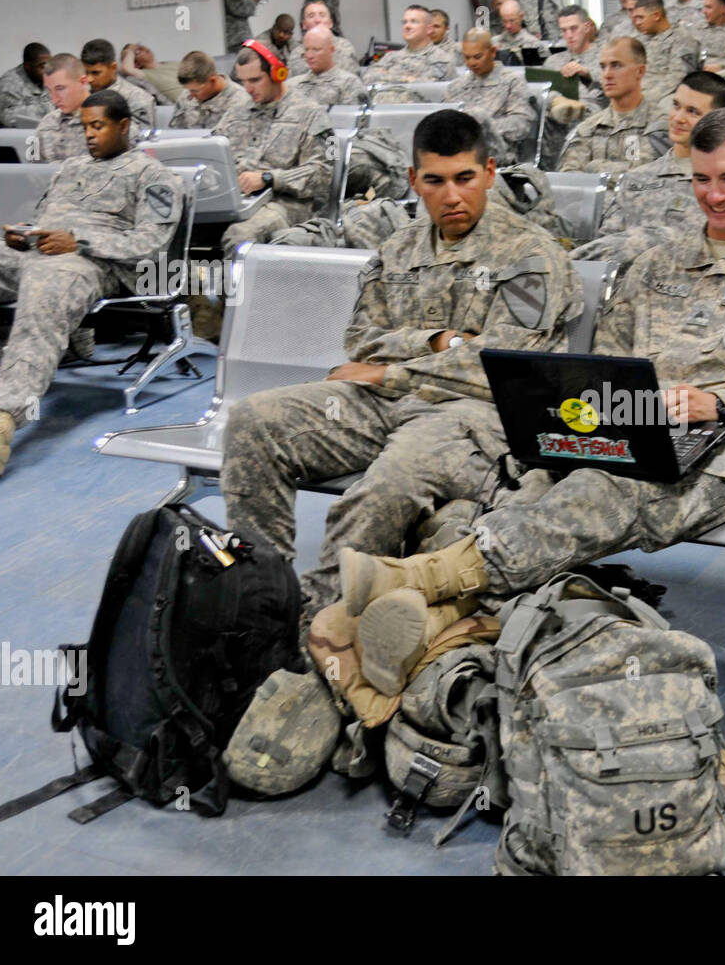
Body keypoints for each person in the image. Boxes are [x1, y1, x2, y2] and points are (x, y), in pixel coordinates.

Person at [333, 108, 725, 705]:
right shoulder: (655, 266)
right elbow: (605, 366)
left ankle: (422, 583)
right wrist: (587, 417)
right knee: (520, 486)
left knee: (614, 492)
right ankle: (444, 635)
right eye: (702, 179)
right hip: (634, 427)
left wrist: (721, 401)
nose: (714, 195)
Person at [221, 108, 581, 632]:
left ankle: (313, 628)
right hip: (386, 402)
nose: (451, 196)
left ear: (490, 172)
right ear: (414, 180)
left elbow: (505, 369)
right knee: (254, 422)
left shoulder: (531, 256)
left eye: (465, 179)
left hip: (476, 418)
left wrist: (394, 370)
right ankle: (262, 599)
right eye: (434, 181)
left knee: (386, 486)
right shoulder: (399, 249)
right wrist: (439, 342)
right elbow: (362, 343)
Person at [0, 90, 182, 477]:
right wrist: (23, 234)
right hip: (40, 253)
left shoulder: (154, 176)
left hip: (92, 264)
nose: (89, 134)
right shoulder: (69, 168)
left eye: (98, 126)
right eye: (85, 127)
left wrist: (80, 241)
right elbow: (43, 219)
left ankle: (1, 424)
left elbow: (151, 245)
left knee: (44, 290)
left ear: (123, 126)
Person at [213, 43, 334, 257]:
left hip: (286, 204)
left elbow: (322, 174)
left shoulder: (310, 113)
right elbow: (212, 154)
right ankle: (191, 288)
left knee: (239, 236)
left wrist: (269, 178)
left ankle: (235, 291)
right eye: (243, 81)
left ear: (277, 74)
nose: (248, 89)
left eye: (255, 80)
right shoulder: (236, 113)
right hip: (237, 199)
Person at [596, 71, 725, 234]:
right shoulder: (635, 179)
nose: (678, 118)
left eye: (693, 111)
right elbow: (607, 244)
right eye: (676, 106)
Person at [558, 37, 668, 174]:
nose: (607, 74)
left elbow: (651, 174)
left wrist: (594, 168)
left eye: (616, 65)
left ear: (640, 71)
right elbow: (569, 177)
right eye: (603, 67)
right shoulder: (588, 128)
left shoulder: (660, 124)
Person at [444, 29, 537, 165]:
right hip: (458, 152)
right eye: (467, 57)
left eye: (477, 57)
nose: (472, 63)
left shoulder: (512, 82)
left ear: (493, 52)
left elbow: (521, 125)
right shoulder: (455, 87)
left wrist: (484, 127)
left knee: (478, 116)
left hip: (499, 155)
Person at [539, 5, 606, 167]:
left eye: (573, 29)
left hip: (593, 119)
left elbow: (620, 88)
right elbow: (539, 94)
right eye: (564, 30)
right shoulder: (553, 61)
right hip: (555, 124)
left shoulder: (605, 57)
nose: (569, 35)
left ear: (587, 27)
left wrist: (588, 73)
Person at [631, 0, 701, 108]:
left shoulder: (682, 38)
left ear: (657, 15)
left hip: (663, 96)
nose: (637, 23)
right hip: (637, 92)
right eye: (635, 18)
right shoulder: (640, 40)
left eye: (641, 17)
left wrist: (645, 98)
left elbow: (678, 76)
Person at [363, 5, 455, 85]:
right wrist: (407, 79)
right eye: (405, 22)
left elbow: (429, 87)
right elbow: (367, 78)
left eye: (414, 21)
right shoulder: (391, 57)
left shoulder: (442, 59)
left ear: (429, 29)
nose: (407, 26)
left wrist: (387, 75)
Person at [80, 39, 155, 131]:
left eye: (96, 73)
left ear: (113, 67)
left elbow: (141, 137)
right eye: (86, 73)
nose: (89, 79)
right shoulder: (80, 94)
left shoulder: (137, 97)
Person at [287, 26, 367, 106]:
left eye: (316, 49)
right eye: (307, 50)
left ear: (331, 50)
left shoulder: (350, 84)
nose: (309, 55)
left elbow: (351, 116)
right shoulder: (293, 85)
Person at [170, 51, 247, 129]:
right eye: (188, 90)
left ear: (213, 80)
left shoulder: (240, 101)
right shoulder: (185, 97)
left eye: (196, 91)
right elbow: (176, 133)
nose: (191, 95)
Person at [33, 55, 90, 160]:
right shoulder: (47, 123)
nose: (54, 99)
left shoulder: (106, 121)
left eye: (60, 89)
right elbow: (31, 171)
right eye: (49, 90)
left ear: (83, 82)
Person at [288, 1, 361, 78]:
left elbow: (350, 77)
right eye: (311, 16)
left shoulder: (344, 46)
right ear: (304, 24)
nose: (317, 20)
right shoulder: (297, 53)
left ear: (330, 23)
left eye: (322, 15)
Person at [0, 43, 52, 128]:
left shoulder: (45, 79)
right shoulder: (8, 84)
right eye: (42, 66)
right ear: (28, 66)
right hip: (8, 136)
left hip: (40, 132)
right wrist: (46, 111)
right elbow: (9, 118)